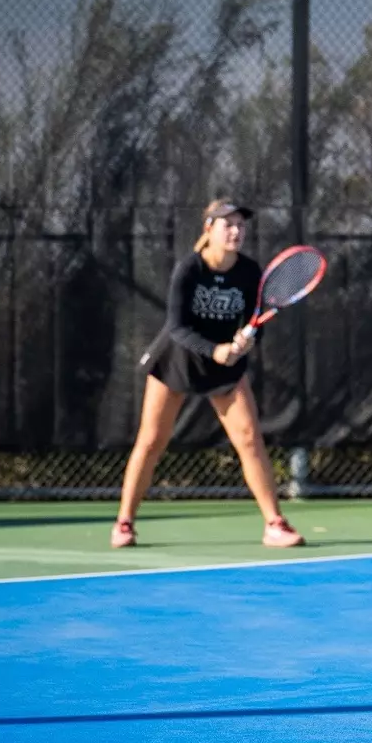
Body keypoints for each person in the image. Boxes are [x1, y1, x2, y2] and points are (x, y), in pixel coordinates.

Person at [111, 198, 303, 550]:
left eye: (240, 225)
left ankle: (274, 524)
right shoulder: (189, 269)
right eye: (227, 224)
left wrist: (248, 339)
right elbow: (177, 327)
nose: (235, 231)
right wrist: (215, 350)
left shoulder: (248, 272)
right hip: (177, 360)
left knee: (249, 439)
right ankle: (124, 523)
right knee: (151, 441)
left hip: (226, 369)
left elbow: (255, 321)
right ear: (209, 230)